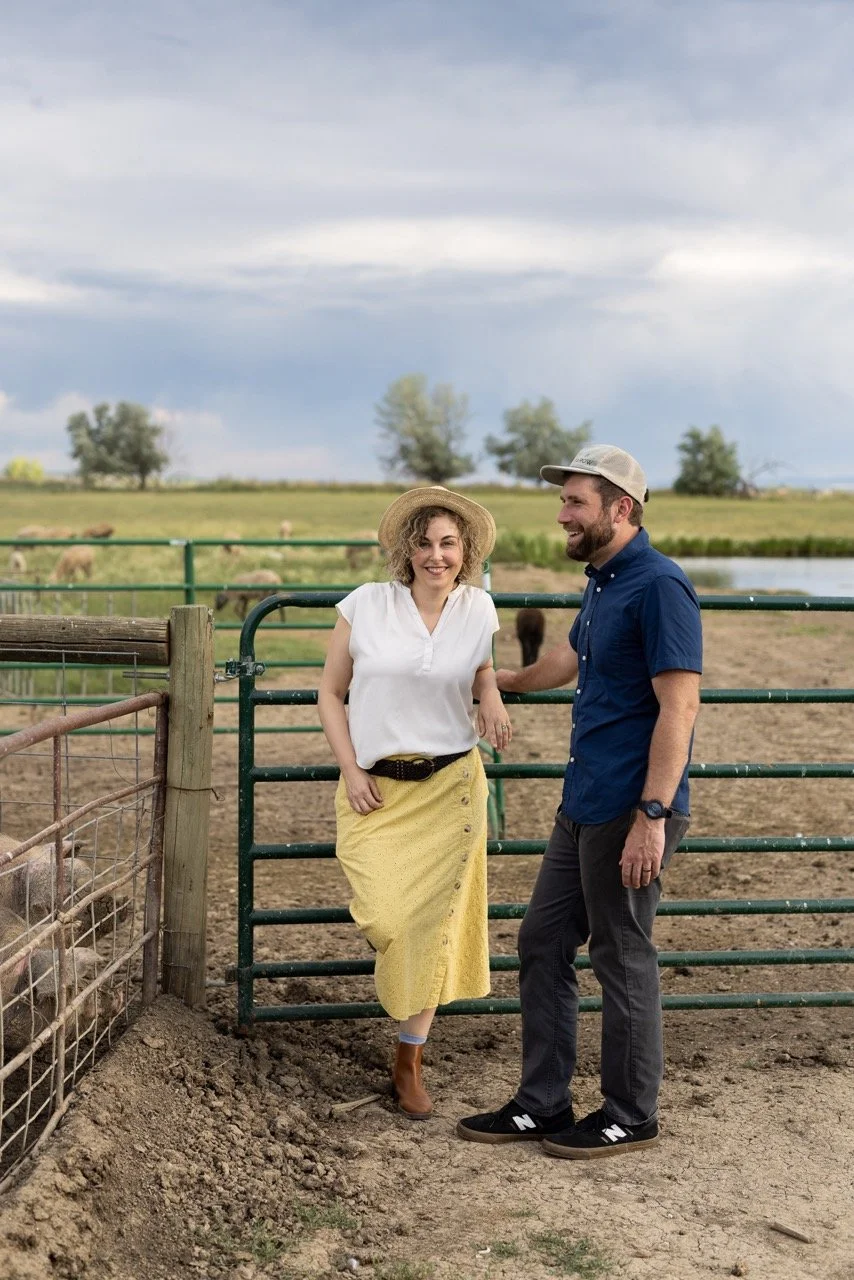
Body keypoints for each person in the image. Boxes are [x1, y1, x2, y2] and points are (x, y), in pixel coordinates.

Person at [457, 444, 702, 1158]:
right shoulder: (604, 580)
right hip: (583, 800)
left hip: (631, 807)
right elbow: (568, 660)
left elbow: (678, 708)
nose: (562, 513)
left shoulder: (660, 587)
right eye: (563, 500)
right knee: (542, 939)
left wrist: (652, 817)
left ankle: (631, 1112)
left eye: (575, 502)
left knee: (622, 954)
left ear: (619, 509)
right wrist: (499, 678)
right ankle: (543, 1103)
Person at [318, 486, 511, 1120]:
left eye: (448, 544)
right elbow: (330, 692)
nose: (436, 555)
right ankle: (406, 1045)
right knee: (390, 919)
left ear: (466, 551)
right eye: (425, 543)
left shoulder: (479, 609)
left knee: (431, 928)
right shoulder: (366, 605)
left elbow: (476, 666)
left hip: (451, 788)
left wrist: (491, 692)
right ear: (408, 550)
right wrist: (349, 769)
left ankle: (409, 1060)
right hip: (376, 790)